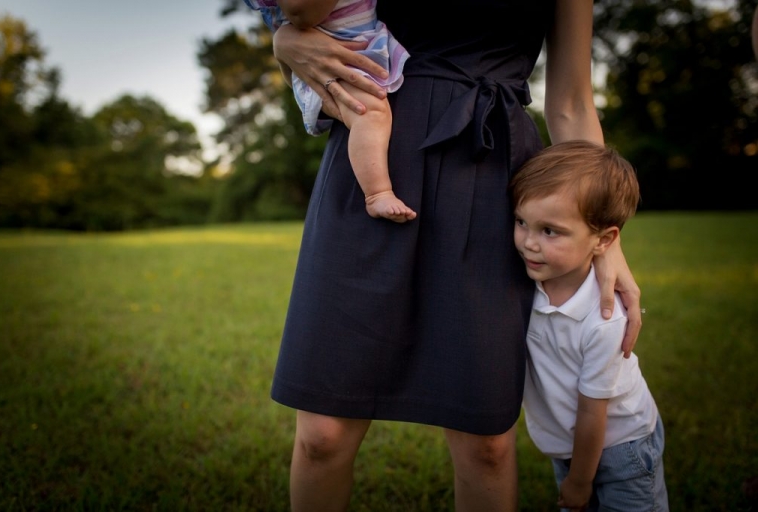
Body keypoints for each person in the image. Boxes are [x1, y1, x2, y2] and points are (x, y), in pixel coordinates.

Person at [264, 1, 644, 510]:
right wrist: (282, 42)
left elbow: (573, 104)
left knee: (485, 443)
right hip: (373, 161)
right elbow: (308, 18)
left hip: (491, 168)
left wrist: (606, 241)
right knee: (322, 434)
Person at [510, 140, 668, 511]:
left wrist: (580, 481)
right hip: (569, 446)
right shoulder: (526, 286)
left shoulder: (604, 319)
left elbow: (592, 411)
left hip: (623, 447)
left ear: (604, 240)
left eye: (550, 231)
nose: (529, 243)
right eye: (521, 222)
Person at [243, 0, 416, 222]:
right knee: (370, 111)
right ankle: (377, 194)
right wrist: (282, 40)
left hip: (356, 46)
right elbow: (298, 11)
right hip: (334, 58)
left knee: (372, 111)